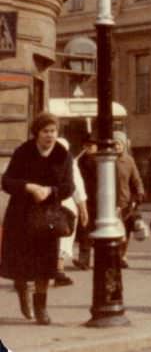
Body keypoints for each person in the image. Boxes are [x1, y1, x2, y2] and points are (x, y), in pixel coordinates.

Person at [1, 112, 75, 325]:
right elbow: (6, 182)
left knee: (45, 265)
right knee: (21, 264)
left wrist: (50, 191)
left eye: (53, 131)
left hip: (47, 217)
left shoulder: (63, 155)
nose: (50, 136)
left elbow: (68, 187)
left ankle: (41, 308)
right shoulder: (23, 152)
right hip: (21, 215)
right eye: (45, 132)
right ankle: (22, 288)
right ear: (36, 133)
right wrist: (29, 187)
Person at [54, 137, 88, 287]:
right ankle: (58, 271)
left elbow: (77, 187)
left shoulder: (69, 163)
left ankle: (57, 270)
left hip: (63, 205)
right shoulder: (70, 163)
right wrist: (83, 209)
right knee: (61, 236)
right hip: (64, 205)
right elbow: (78, 188)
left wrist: (83, 209)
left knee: (60, 237)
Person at [113, 131, 145, 269]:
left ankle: (122, 256)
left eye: (119, 143)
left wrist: (140, 192)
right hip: (110, 203)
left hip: (125, 202)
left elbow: (136, 179)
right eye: (114, 143)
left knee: (125, 231)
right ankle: (115, 256)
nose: (117, 146)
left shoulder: (129, 160)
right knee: (114, 232)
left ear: (124, 144)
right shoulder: (107, 160)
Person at [73, 136, 97, 270]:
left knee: (94, 231)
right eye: (86, 145)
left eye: (92, 145)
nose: (89, 148)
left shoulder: (100, 161)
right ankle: (84, 260)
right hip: (84, 199)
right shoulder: (79, 161)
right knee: (84, 231)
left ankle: (91, 260)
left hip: (97, 201)